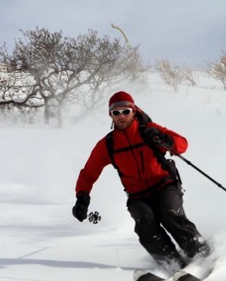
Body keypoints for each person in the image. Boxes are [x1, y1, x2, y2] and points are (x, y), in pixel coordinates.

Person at [72, 91, 211, 271]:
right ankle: (172, 263)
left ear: (134, 110)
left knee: (170, 215)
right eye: (116, 113)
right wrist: (82, 198)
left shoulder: (148, 131)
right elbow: (89, 173)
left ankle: (202, 255)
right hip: (138, 195)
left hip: (164, 186)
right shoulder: (108, 144)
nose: (121, 116)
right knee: (145, 224)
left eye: (125, 111)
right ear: (110, 115)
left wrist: (164, 139)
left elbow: (182, 144)